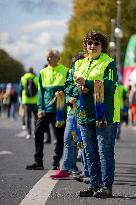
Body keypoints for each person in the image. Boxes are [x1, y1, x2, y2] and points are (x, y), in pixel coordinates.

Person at [65, 30, 120, 198]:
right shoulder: (78, 64)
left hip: (104, 114)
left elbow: (110, 86)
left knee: (105, 151)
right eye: (90, 43)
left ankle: (106, 187)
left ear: (102, 46)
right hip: (84, 114)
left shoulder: (109, 62)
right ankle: (93, 185)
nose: (92, 46)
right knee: (89, 152)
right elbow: (68, 85)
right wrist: (78, 88)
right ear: (86, 45)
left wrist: (87, 83)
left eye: (96, 43)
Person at [26, 48, 68, 170]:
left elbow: (70, 89)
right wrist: (40, 108)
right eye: (47, 57)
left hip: (60, 110)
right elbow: (41, 92)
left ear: (57, 58)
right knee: (38, 132)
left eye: (50, 56)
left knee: (59, 137)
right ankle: (38, 161)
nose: (48, 59)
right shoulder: (43, 72)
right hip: (46, 110)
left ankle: (56, 160)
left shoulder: (66, 71)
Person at [19, 67, 38, 139]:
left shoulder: (23, 78)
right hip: (35, 101)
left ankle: (29, 133)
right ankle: (35, 132)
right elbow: (39, 89)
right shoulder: (36, 78)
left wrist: (21, 100)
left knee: (28, 118)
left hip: (26, 101)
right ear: (33, 72)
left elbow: (20, 90)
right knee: (36, 118)